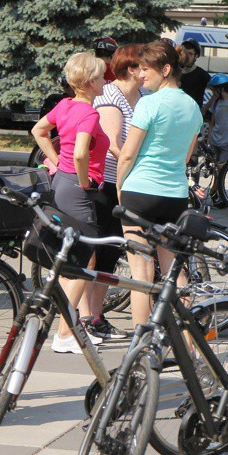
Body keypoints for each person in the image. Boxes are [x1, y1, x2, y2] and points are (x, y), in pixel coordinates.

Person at [117, 41, 203, 328]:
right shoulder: (193, 106)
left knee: (140, 273)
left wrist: (120, 188)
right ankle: (188, 344)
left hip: (140, 191)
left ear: (165, 69)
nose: (140, 75)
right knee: (175, 272)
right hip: (175, 196)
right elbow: (188, 155)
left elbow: (128, 153)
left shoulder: (149, 103)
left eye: (145, 69)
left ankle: (142, 345)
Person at [31, 52, 109, 354]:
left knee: (71, 259)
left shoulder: (64, 105)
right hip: (77, 189)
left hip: (62, 183)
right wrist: (84, 179)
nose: (105, 81)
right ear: (90, 82)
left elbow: (39, 131)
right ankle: (65, 334)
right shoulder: (90, 113)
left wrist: (55, 162)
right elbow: (79, 153)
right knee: (85, 258)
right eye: (102, 76)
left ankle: (68, 327)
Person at [82, 43, 144, 341]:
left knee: (110, 252)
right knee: (93, 252)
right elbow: (113, 145)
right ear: (131, 69)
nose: (149, 72)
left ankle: (96, 317)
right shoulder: (110, 95)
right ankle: (83, 318)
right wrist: (144, 160)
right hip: (103, 183)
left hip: (126, 182)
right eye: (144, 67)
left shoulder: (142, 96)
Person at [178, 39, 211, 108]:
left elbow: (217, 92)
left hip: (193, 115)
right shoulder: (175, 73)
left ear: (196, 56)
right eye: (184, 53)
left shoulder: (202, 75)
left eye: (190, 53)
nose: (186, 56)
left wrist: (205, 109)